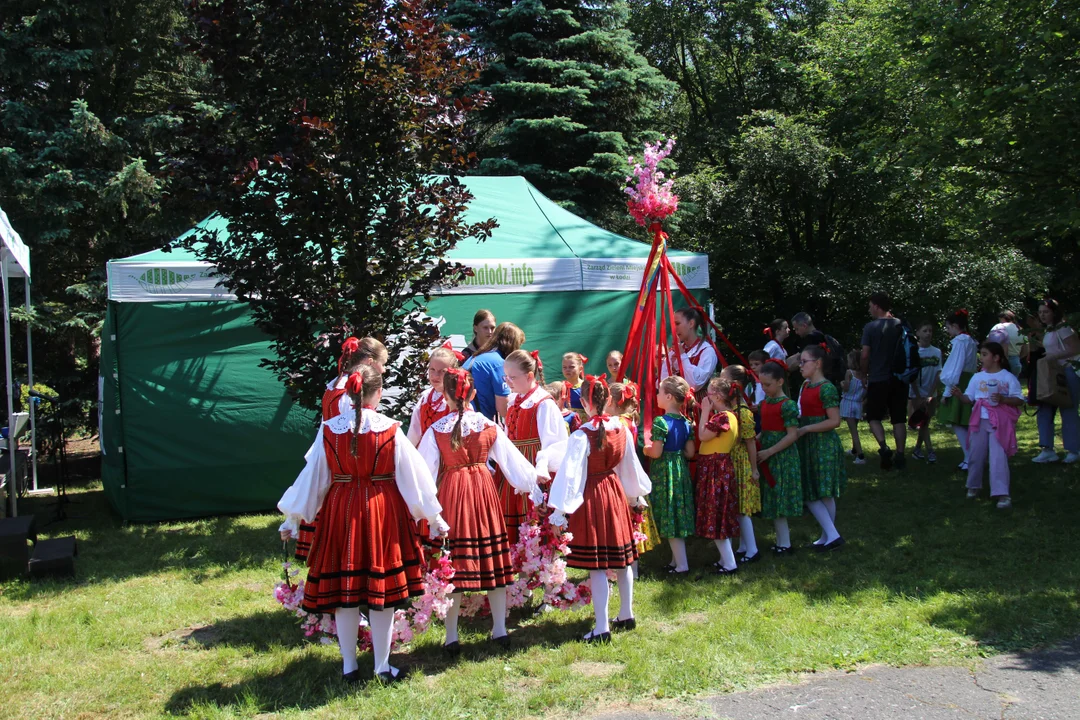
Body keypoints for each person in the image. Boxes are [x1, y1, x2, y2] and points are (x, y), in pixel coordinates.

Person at [277, 366, 446, 683]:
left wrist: (294, 517)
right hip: (380, 509)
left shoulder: (329, 429)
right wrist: (432, 515)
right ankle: (381, 667)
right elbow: (414, 477)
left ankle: (349, 666)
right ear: (378, 394)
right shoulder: (389, 428)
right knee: (380, 594)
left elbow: (313, 477)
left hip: (340, 509)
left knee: (345, 592)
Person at [417, 368, 544, 654]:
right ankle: (499, 629)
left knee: (455, 563)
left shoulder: (437, 430)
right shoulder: (488, 425)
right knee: (494, 560)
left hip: (452, 493)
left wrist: (423, 508)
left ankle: (451, 636)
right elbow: (512, 461)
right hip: (484, 492)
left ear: (445, 394)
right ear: (473, 393)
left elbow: (423, 473)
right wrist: (533, 489)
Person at [545, 375, 652, 643]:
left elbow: (571, 476)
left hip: (591, 498)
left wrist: (559, 511)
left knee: (597, 565)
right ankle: (626, 614)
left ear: (583, 403)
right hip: (614, 493)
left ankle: (602, 626)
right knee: (622, 559)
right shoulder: (622, 429)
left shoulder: (582, 435)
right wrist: (634, 496)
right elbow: (630, 466)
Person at [296, 337, 391, 562]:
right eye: (383, 363)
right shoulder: (347, 393)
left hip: (333, 464)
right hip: (347, 471)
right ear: (369, 361)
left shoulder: (335, 385)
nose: (384, 369)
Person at [496, 349, 567, 544]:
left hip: (534, 467)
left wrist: (542, 471)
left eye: (512, 377)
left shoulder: (543, 404)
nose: (508, 381)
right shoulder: (514, 401)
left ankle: (540, 566)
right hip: (513, 468)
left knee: (535, 521)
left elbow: (555, 443)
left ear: (529, 376)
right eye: (506, 376)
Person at [950, 342, 1024, 509]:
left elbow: (1019, 399)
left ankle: (1002, 494)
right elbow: (969, 399)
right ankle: (973, 486)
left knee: (998, 457)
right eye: (981, 354)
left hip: (1000, 422)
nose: (981, 358)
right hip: (979, 421)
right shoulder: (977, 378)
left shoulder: (1007, 377)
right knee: (975, 454)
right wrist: (959, 396)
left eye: (984, 354)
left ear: (996, 358)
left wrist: (1003, 400)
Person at [643, 376, 696, 574]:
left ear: (669, 396)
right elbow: (690, 453)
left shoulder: (660, 422)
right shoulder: (686, 422)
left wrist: (646, 449)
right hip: (680, 470)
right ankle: (676, 561)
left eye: (659, 392)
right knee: (676, 512)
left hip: (665, 473)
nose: (657, 396)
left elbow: (656, 452)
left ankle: (682, 565)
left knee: (670, 514)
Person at [795, 345, 845, 552]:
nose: (800, 366)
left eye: (804, 361)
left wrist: (807, 428)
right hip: (809, 442)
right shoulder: (806, 386)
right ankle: (829, 535)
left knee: (823, 492)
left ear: (817, 363)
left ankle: (830, 535)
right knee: (813, 491)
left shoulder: (826, 388)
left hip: (823, 444)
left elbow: (834, 421)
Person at [607, 381, 658, 572]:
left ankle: (630, 567)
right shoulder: (630, 419)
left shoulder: (619, 423)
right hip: (629, 470)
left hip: (622, 472)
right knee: (632, 519)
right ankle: (632, 567)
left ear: (611, 401)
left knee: (627, 520)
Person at [755, 360, 802, 555]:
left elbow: (792, 434)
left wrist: (769, 451)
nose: (764, 389)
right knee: (774, 498)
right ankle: (782, 542)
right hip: (768, 453)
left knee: (780, 496)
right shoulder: (765, 403)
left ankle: (785, 543)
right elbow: (765, 430)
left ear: (780, 381)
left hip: (782, 456)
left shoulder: (788, 405)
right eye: (762, 385)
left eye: (768, 385)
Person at [696, 377, 742, 574]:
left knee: (716, 516)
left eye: (710, 393)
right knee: (720, 515)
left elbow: (703, 436)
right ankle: (726, 560)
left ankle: (730, 563)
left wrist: (704, 411)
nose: (707, 397)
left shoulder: (722, 417)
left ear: (719, 396)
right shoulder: (730, 416)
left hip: (715, 469)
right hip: (718, 468)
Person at [859, 291, 907, 470]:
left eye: (870, 306)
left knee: (873, 417)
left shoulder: (870, 327)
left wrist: (864, 374)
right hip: (899, 378)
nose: (869, 309)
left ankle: (884, 447)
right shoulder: (900, 325)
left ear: (877, 306)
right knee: (899, 418)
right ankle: (901, 455)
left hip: (878, 378)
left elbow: (864, 354)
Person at [719, 365, 761, 565]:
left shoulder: (742, 413)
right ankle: (744, 546)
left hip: (741, 462)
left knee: (743, 508)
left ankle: (752, 549)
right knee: (738, 507)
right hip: (733, 461)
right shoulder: (732, 411)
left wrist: (753, 469)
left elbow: (751, 442)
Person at [1032, 298, 1080, 464]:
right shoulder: (1049, 330)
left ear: (1054, 312)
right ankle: (1047, 449)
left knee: (1068, 409)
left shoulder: (1064, 327)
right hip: (1052, 374)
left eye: (1046, 311)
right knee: (1044, 407)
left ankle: (1073, 450)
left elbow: (1075, 348)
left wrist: (1053, 356)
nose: (1043, 315)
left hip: (1068, 372)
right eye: (1040, 312)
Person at [937, 309, 979, 471]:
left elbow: (955, 368)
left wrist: (947, 392)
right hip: (966, 380)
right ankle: (970, 456)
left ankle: (970, 456)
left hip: (960, 383)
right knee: (963, 422)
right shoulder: (968, 340)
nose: (948, 331)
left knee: (958, 422)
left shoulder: (961, 341)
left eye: (948, 328)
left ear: (955, 326)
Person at [462, 322, 525, 420]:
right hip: (477, 423)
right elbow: (504, 409)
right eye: (519, 345)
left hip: (462, 418)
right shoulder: (499, 364)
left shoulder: (479, 356)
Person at [406, 346, 459, 445]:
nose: (435, 375)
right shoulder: (425, 398)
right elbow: (414, 432)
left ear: (453, 373)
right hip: (426, 455)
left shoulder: (457, 400)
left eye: (443, 371)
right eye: (432, 369)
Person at [661, 307, 719, 395]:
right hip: (676, 406)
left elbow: (695, 384)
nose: (674, 329)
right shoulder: (676, 351)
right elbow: (662, 382)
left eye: (677, 323)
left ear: (691, 323)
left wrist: (682, 356)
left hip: (698, 406)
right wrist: (671, 365)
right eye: (673, 324)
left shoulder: (707, 351)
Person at [909, 321, 942, 463]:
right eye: (924, 330)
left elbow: (938, 373)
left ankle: (917, 449)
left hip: (931, 392)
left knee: (925, 422)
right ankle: (930, 451)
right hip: (916, 392)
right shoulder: (913, 351)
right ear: (917, 333)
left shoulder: (937, 352)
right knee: (922, 422)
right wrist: (918, 395)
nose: (928, 333)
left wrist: (930, 393)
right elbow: (911, 375)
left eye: (930, 330)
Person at [839, 349, 867, 464]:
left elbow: (846, 387)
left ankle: (860, 456)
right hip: (858, 403)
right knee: (855, 427)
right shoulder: (864, 375)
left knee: (853, 431)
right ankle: (855, 450)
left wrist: (842, 384)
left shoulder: (849, 373)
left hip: (848, 403)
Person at [990, 311, 1023, 377]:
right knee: (1013, 384)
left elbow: (989, 342)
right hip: (1016, 361)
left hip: (1001, 360)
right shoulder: (1021, 330)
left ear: (1003, 318)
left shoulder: (998, 327)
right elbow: (1026, 349)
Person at [562, 352, 589, 421]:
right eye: (564, 367)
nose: (567, 370)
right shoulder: (561, 387)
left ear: (580, 369)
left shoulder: (586, 387)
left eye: (571, 367)